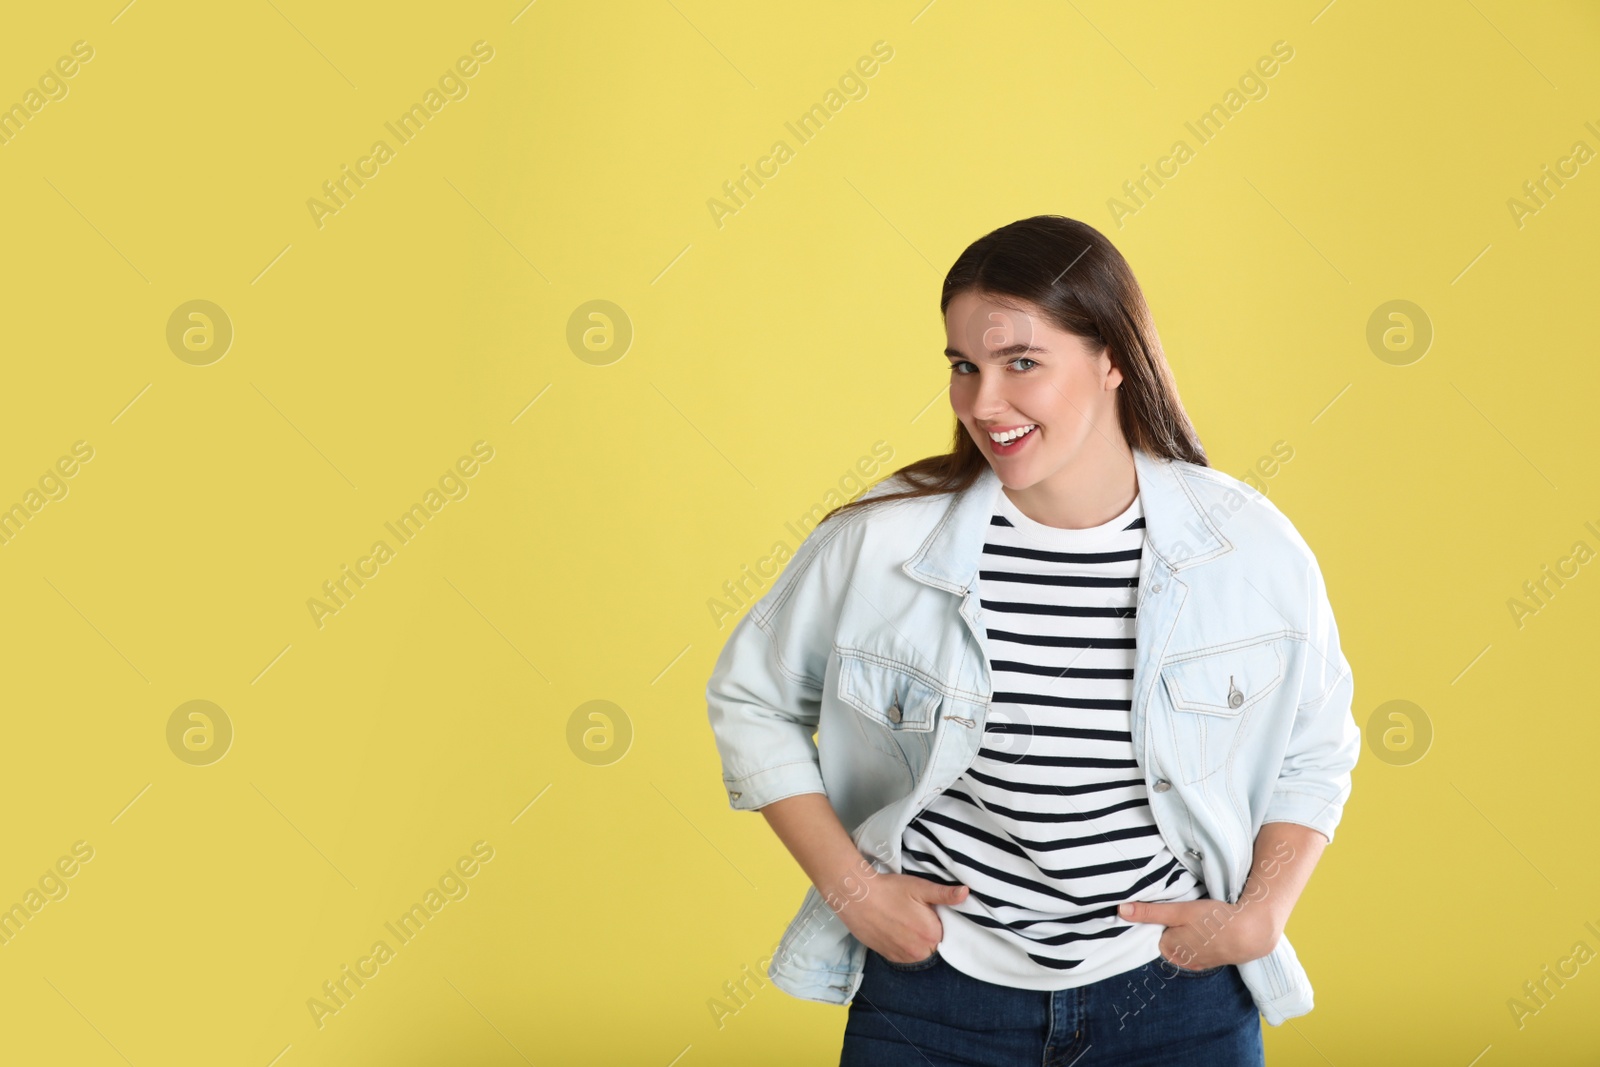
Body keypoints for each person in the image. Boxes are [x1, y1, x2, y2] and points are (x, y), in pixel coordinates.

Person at [705, 215, 1360, 1066]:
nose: (983, 403)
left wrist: (1261, 914)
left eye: (1022, 363)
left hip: (1176, 1000)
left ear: (1112, 357)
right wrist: (853, 889)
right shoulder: (882, 542)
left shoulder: (1246, 545)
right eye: (964, 366)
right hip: (933, 1000)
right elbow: (749, 699)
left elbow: (1317, 743)